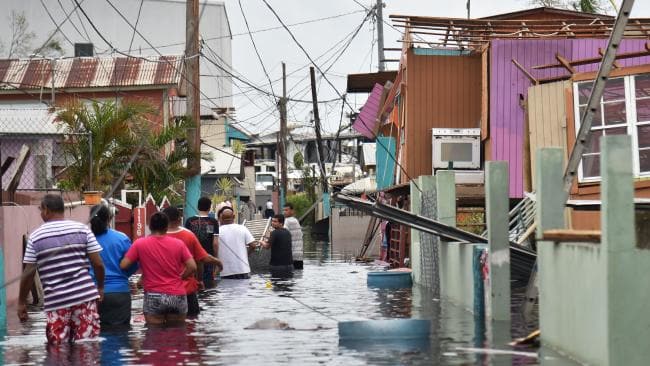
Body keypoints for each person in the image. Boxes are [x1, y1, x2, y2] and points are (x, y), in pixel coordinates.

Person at [18, 194, 105, 344]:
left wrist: (21, 303)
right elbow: (98, 264)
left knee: (58, 351)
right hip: (84, 298)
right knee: (87, 348)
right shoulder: (82, 229)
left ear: (46, 210)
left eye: (41, 210)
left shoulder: (35, 237)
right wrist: (101, 287)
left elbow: (28, 273)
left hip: (56, 303)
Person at [120, 212, 197, 325]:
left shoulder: (139, 244)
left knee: (154, 336)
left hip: (153, 295)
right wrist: (181, 277)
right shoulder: (179, 244)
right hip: (177, 294)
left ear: (150, 227)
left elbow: (124, 265)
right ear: (166, 227)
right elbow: (192, 267)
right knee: (177, 335)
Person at [163, 206, 223, 317]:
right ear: (179, 219)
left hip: (159, 292)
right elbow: (200, 259)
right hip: (185, 290)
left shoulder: (154, 238)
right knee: (190, 324)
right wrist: (217, 262)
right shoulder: (188, 235)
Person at [89, 204, 137, 327]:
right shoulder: (121, 238)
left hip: (90, 294)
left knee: (92, 335)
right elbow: (134, 263)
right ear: (109, 219)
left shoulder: (85, 239)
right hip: (119, 293)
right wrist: (122, 275)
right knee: (120, 335)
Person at [184, 197, 220, 288]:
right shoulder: (213, 222)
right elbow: (215, 244)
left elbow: (185, 241)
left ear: (197, 206)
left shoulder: (189, 221)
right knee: (208, 286)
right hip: (207, 257)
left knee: (193, 283)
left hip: (192, 259)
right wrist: (215, 259)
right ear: (209, 207)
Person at [217, 207, 256, 279]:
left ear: (221, 218)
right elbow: (253, 245)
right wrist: (246, 256)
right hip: (243, 269)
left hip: (226, 271)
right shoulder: (242, 228)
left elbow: (214, 247)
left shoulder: (218, 231)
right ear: (234, 217)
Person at [283, 203, 304, 270]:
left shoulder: (287, 221)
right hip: (299, 255)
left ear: (292, 211)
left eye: (286, 210)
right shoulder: (296, 220)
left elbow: (283, 234)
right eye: (284, 210)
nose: (284, 212)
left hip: (292, 255)